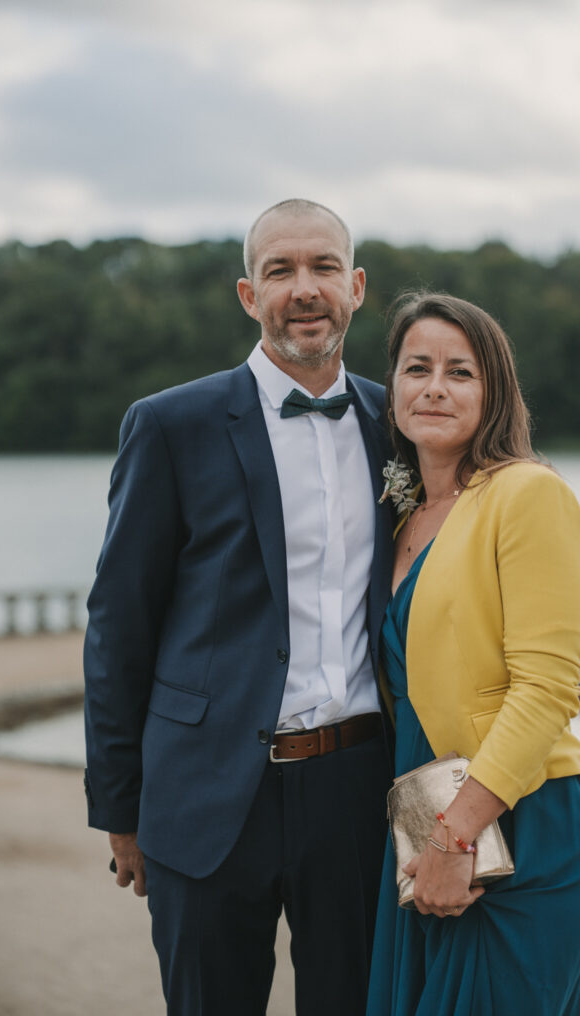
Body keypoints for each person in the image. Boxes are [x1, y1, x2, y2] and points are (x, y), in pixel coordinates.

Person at [83, 199, 395, 1016]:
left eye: (323, 267)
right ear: (247, 294)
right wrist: (121, 809)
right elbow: (119, 626)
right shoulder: (168, 425)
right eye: (279, 270)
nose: (304, 288)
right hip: (207, 790)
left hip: (359, 788)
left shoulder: (396, 424)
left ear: (356, 287)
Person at [366, 292, 580, 1016]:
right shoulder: (404, 519)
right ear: (394, 388)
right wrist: (427, 843)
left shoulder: (527, 494)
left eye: (459, 372)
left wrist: (453, 837)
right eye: (416, 368)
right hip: (425, 830)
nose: (434, 387)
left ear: (494, 391)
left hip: (518, 832)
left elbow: (546, 691)